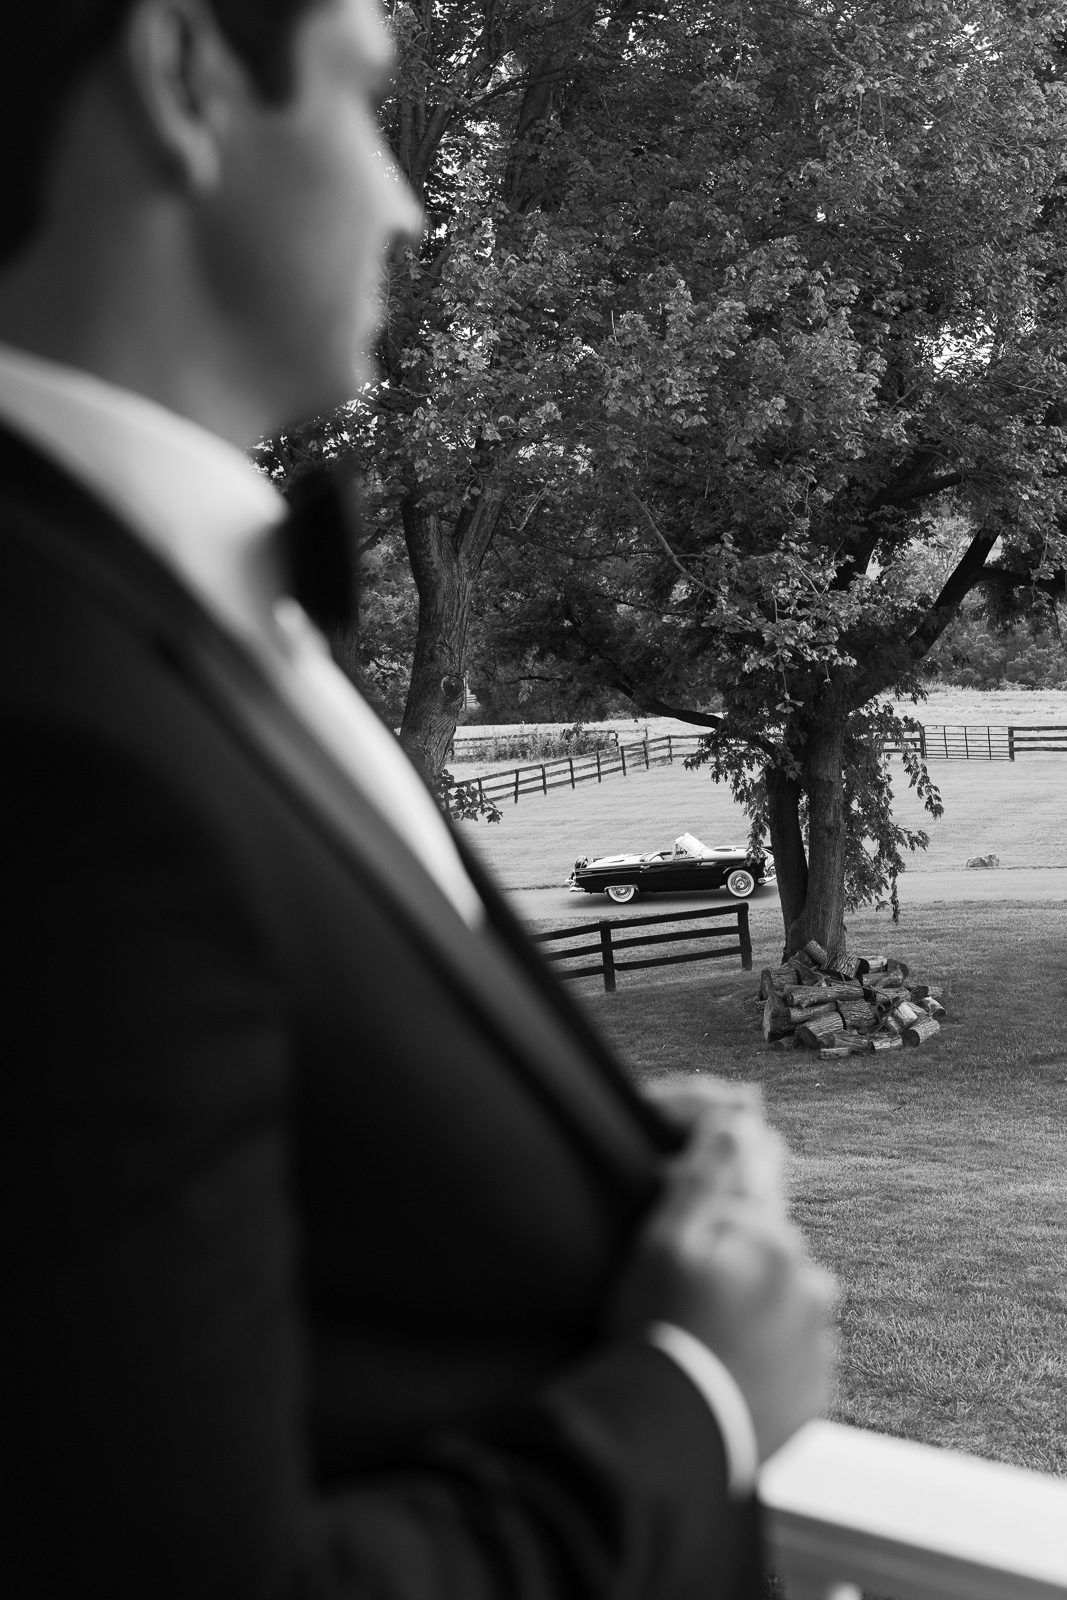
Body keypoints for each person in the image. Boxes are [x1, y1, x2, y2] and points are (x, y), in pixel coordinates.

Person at [0, 3, 834, 1596]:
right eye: (365, 102)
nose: (407, 206)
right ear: (184, 81)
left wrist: (565, 1148)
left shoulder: (133, 609)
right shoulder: (56, 738)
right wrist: (699, 1396)